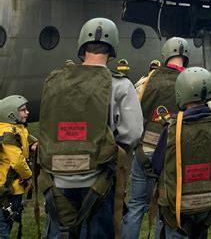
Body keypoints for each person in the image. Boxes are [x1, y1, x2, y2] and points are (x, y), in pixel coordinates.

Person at [38, 17, 143, 239]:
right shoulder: (120, 85)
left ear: (82, 46)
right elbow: (132, 134)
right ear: (113, 47)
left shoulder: (57, 80)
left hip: (56, 180)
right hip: (99, 180)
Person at [122, 38, 190, 239]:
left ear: (165, 55)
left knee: (136, 205)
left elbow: (133, 114)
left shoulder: (146, 80)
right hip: (172, 155)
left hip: (144, 152)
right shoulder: (190, 82)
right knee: (166, 208)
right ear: (186, 57)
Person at [152, 67, 211, 238]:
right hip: (207, 201)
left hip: (177, 205)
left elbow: (156, 165)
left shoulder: (172, 129)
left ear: (181, 93)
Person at [0, 95, 37, 239]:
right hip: (7, 188)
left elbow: (23, 137)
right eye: (22, 110)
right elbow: (17, 161)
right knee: (4, 226)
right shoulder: (9, 133)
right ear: (11, 113)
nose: (27, 112)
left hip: (9, 187)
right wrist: (28, 177)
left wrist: (33, 143)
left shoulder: (13, 128)